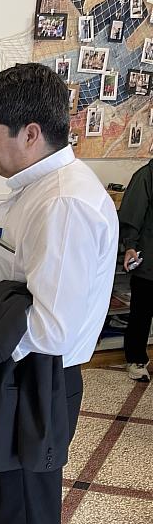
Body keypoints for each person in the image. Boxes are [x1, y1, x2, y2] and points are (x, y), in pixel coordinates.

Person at [0, 63, 118, 524]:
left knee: (25, 516)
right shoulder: (35, 190)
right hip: (17, 372)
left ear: (30, 133)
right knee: (8, 508)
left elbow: (51, 329)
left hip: (35, 381)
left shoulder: (63, 203)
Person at [118, 158, 153, 382]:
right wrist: (130, 246)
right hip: (148, 259)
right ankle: (136, 359)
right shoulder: (146, 176)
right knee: (142, 312)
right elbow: (132, 215)